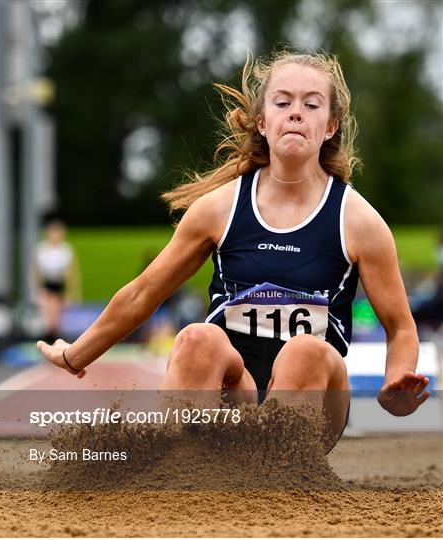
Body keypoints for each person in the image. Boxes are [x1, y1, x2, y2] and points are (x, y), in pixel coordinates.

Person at [37, 50, 430, 452]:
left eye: (311, 104)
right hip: (233, 395)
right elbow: (143, 293)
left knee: (305, 350)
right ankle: (174, 467)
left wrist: (397, 381)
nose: (296, 113)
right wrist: (75, 356)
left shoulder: (358, 221)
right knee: (195, 339)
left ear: (330, 126)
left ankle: (281, 472)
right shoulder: (219, 208)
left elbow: (400, 327)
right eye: (283, 102)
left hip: (316, 399)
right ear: (262, 121)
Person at [31, 220, 81, 342]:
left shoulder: (66, 250)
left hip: (59, 287)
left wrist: (72, 291)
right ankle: (47, 343)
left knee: (56, 322)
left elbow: (70, 273)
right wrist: (37, 290)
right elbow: (36, 272)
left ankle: (52, 343)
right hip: (46, 286)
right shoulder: (41, 250)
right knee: (49, 321)